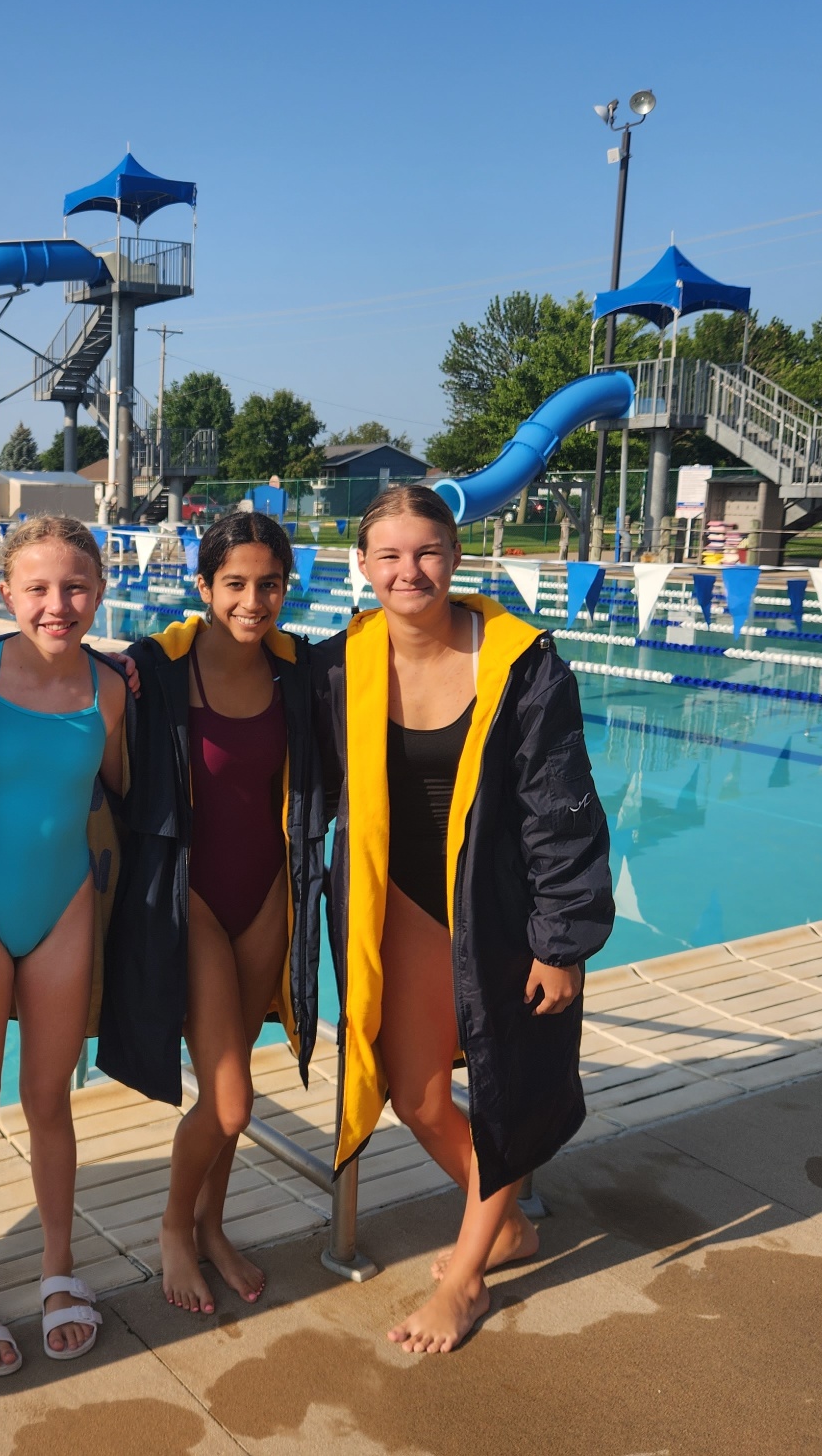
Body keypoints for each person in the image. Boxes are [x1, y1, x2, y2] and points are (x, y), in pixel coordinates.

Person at [314, 485, 611, 1355]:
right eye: (392, 556)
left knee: (504, 1094)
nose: (412, 571)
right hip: (402, 901)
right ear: (363, 568)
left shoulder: (520, 662)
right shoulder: (341, 664)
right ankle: (509, 1223)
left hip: (506, 907)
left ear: (456, 558)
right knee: (412, 1093)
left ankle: (472, 1276)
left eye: (430, 552)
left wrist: (562, 943)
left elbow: (565, 810)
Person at [105, 511, 326, 1314]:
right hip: (192, 895)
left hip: (268, 893)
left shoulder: (299, 670)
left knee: (233, 1088)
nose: (254, 599)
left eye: (270, 584)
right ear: (204, 588)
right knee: (230, 1099)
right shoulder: (155, 670)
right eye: (235, 583)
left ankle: (213, 1226)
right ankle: (173, 1226)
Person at [0, 515, 127, 1375]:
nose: (59, 604)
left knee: (50, 1101)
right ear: (5, 592)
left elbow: (124, 798)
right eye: (39, 588)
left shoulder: (112, 689)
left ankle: (58, 1268)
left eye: (76, 587)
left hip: (65, 909)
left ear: (100, 591)